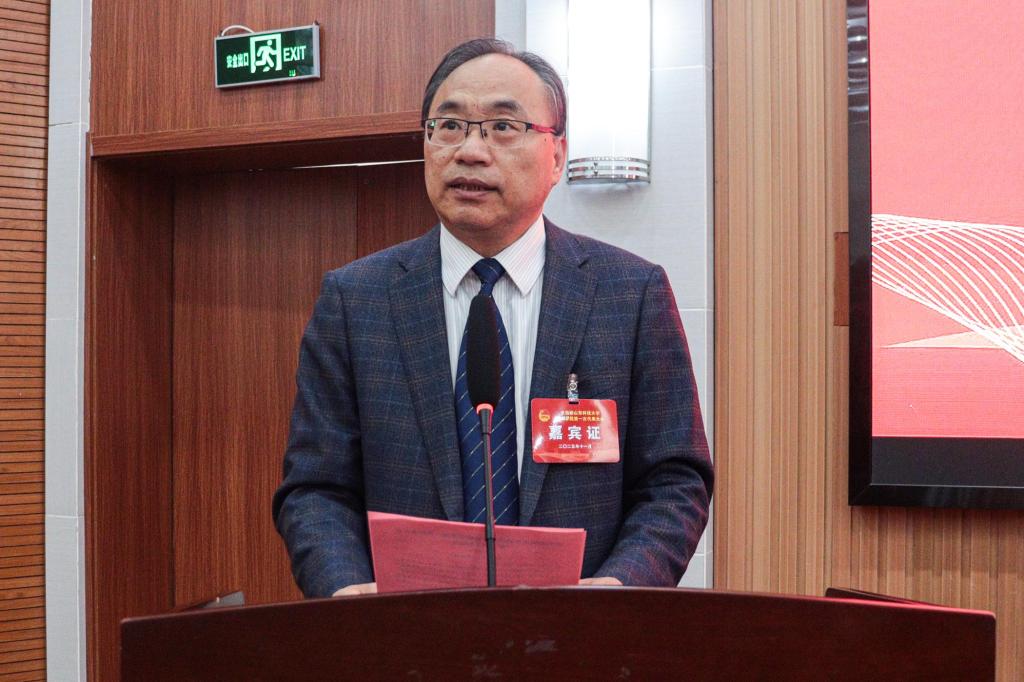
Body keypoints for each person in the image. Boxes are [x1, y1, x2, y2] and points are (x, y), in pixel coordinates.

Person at [272, 38, 713, 597]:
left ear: (557, 156)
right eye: (449, 126)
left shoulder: (629, 293)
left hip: (578, 632)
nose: (470, 151)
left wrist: (618, 588)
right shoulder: (356, 299)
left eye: (503, 126)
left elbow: (674, 481)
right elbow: (315, 488)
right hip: (404, 629)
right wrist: (345, 590)